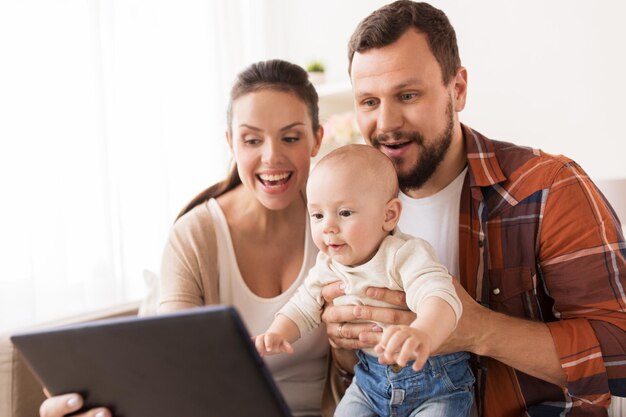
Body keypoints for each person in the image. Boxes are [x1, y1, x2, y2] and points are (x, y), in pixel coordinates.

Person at [320, 1, 626, 417]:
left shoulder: (549, 188)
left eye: (407, 95)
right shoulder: (345, 211)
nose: (386, 122)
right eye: (369, 102)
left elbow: (621, 355)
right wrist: (346, 339)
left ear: (457, 88)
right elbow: (354, 379)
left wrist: (476, 329)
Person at [38, 59, 357, 417]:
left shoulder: (343, 224)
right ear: (231, 143)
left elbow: (363, 368)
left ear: (316, 139)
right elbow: (174, 370)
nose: (271, 157)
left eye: (290, 137)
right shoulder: (195, 236)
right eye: (252, 140)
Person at [255, 144, 474, 416]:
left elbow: (439, 297)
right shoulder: (328, 265)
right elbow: (302, 306)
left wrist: (423, 333)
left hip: (436, 383)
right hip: (370, 384)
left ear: (389, 215)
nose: (328, 227)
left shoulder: (403, 254)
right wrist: (277, 332)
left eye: (344, 213)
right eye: (318, 215)